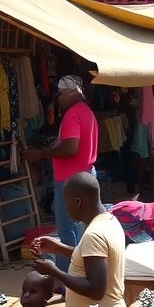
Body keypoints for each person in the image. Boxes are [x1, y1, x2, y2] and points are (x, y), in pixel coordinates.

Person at [23, 75, 98, 271]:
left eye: (60, 94)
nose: (58, 99)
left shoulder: (72, 114)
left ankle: (67, 276)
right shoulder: (86, 111)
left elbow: (71, 148)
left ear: (71, 92)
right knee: (81, 230)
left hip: (70, 181)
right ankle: (81, 272)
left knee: (67, 232)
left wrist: (42, 154)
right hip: (85, 175)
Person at [32, 172, 128, 307]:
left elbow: (95, 290)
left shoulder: (94, 234)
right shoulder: (109, 221)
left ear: (78, 202)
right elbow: (89, 260)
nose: (65, 208)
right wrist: (58, 248)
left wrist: (54, 271)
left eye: (66, 202)